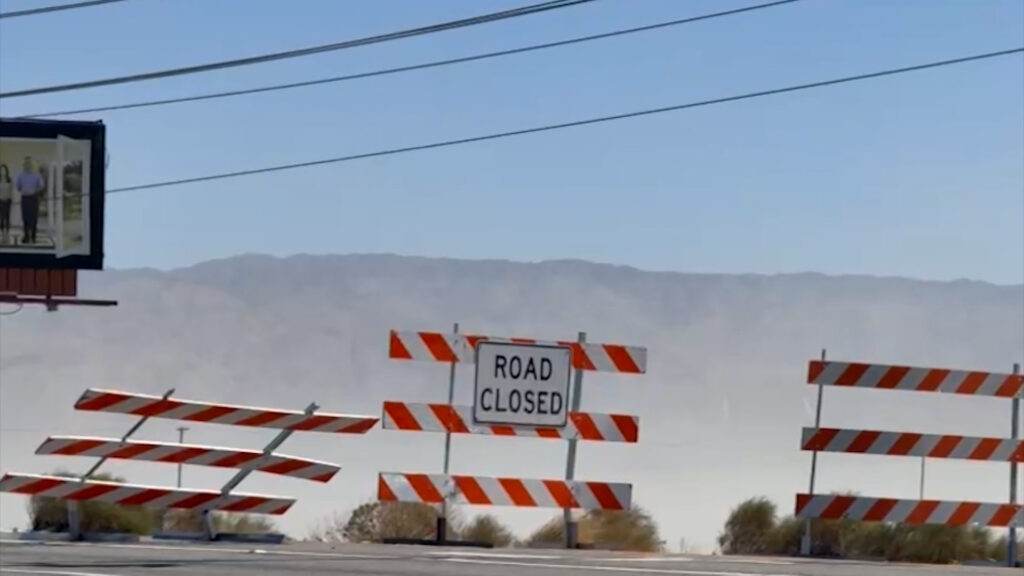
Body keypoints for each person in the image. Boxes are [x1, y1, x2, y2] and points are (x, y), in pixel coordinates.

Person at [16, 156, 43, 245]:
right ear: (24, 165)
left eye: (29, 163)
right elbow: (18, 187)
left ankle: (33, 237)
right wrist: (21, 189)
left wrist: (34, 190)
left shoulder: (37, 174)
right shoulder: (20, 175)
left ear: (32, 164)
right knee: (25, 218)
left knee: (34, 218)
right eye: (26, 163)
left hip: (34, 198)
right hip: (24, 198)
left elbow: (41, 186)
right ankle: (26, 236)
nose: (27, 165)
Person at [0, 165, 11, 243]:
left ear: (6, 171)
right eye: (1, 170)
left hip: (7, 201)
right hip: (0, 201)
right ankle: (2, 234)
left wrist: (10, 198)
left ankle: (7, 234)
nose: (3, 172)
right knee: (1, 218)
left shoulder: (9, 179)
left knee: (7, 218)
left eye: (4, 170)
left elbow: (11, 190)